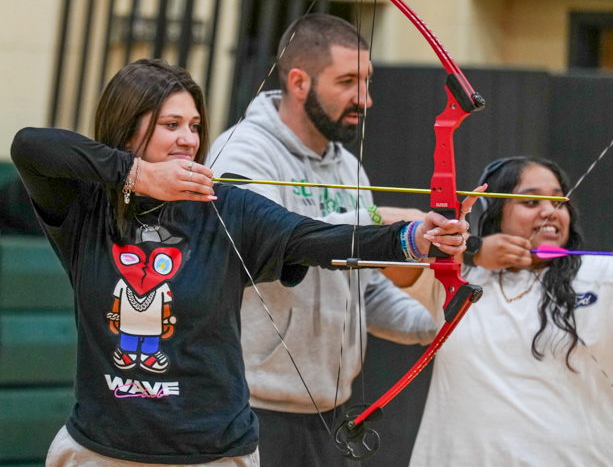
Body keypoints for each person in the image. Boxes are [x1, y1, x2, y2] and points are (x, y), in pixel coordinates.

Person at [10, 58, 474, 466]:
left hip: (210, 453)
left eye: (194, 126)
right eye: (171, 125)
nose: (188, 140)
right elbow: (29, 146)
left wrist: (412, 239)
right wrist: (140, 175)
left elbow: (312, 239)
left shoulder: (227, 208)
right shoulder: (85, 209)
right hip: (101, 450)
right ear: (127, 128)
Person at [208, 13, 433, 466]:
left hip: (332, 412)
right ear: (298, 82)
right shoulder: (243, 153)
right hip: (251, 409)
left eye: (366, 81)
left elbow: (363, 291)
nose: (364, 99)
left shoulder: (349, 168)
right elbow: (272, 247)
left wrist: (436, 326)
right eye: (347, 81)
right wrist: (375, 220)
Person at [408, 156, 613, 467]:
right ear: (494, 212)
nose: (551, 212)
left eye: (559, 202)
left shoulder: (607, 275)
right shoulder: (452, 277)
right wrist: (473, 251)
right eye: (531, 201)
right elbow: (373, 224)